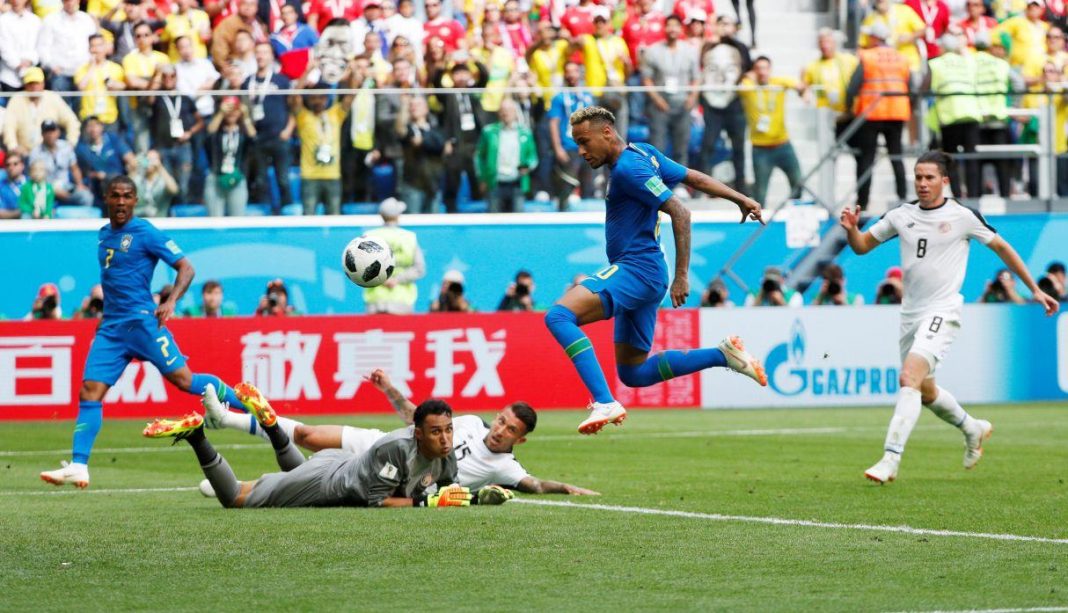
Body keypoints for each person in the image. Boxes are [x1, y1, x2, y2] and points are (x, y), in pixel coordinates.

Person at [543, 106, 767, 435]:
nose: (581, 151)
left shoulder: (628, 170)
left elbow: (680, 212)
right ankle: (722, 355)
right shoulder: (643, 152)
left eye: (584, 141)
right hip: (646, 274)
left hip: (638, 269)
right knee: (634, 373)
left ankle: (604, 401)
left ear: (606, 133)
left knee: (559, 317)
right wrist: (739, 197)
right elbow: (692, 177)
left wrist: (682, 275)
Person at [839, 150, 1060, 484]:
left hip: (943, 310)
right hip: (910, 314)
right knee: (925, 392)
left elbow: (1002, 248)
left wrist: (1034, 288)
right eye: (918, 177)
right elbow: (861, 247)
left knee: (908, 377)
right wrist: (851, 230)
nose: (923, 183)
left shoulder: (962, 216)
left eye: (929, 177)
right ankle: (973, 428)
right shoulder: (901, 215)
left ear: (945, 180)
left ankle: (890, 459)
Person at [39, 175, 246, 489]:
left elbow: (186, 267)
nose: (121, 202)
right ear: (106, 199)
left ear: (135, 200)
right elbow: (115, 282)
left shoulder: (145, 232)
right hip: (111, 329)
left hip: (142, 323)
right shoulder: (104, 235)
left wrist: (170, 301)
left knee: (185, 381)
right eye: (115, 196)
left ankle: (249, 405)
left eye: (127, 196)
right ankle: (80, 465)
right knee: (89, 392)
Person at [199, 371, 599, 496]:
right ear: (495, 416)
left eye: (511, 430)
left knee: (318, 479)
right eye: (502, 421)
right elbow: (418, 419)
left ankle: (244, 486)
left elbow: (535, 484)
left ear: (520, 439)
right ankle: (227, 421)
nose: (500, 430)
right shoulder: (471, 422)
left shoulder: (506, 467)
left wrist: (566, 488)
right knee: (305, 435)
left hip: (394, 474)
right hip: (384, 443)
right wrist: (389, 389)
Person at [145, 388, 512, 508]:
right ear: (417, 433)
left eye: (448, 430)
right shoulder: (395, 449)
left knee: (293, 471)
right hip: (328, 482)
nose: (446, 439)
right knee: (237, 499)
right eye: (436, 432)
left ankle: (273, 426)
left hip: (338, 463)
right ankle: (197, 435)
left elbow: (445, 489)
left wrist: (479, 497)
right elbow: (379, 502)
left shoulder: (446, 456)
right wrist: (426, 502)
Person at [847, 22, 910, 211]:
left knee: (867, 159)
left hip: (871, 113)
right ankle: (903, 197)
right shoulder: (901, 57)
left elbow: (853, 86)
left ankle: (862, 202)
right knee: (896, 156)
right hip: (897, 112)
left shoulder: (867, 56)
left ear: (875, 37)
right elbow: (912, 84)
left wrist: (849, 107)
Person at [738, 56, 806, 208]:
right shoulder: (749, 86)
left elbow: (799, 86)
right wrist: (749, 76)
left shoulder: (778, 83)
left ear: (770, 69)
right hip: (760, 149)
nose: (762, 72)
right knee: (760, 194)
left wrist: (804, 89)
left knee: (798, 182)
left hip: (783, 145)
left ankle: (793, 213)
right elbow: (742, 86)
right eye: (758, 69)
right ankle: (759, 226)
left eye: (765, 68)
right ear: (754, 71)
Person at [292, 58, 354, 216]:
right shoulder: (304, 117)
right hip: (309, 175)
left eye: (321, 97)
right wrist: (307, 71)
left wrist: (353, 72)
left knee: (334, 216)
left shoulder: (335, 114)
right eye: (314, 97)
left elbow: (350, 97)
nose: (318, 100)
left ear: (326, 99)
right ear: (309, 99)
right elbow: (294, 98)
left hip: (332, 175)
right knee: (309, 216)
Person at [927, 27, 982, 199]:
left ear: (942, 48)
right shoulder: (969, 61)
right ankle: (974, 195)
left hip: (949, 114)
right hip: (971, 112)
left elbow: (926, 87)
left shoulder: (935, 63)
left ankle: (958, 195)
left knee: (951, 158)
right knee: (972, 156)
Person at [698, 17, 751, 191]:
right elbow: (701, 67)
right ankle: (701, 187)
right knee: (708, 144)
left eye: (728, 24)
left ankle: (741, 186)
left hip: (734, 102)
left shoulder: (740, 47)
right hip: (711, 103)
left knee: (738, 147)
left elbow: (747, 70)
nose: (725, 28)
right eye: (721, 24)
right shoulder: (708, 46)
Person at [641, 15, 700, 168]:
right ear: (664, 28)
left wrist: (692, 97)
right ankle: (657, 184)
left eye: (676, 25)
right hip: (660, 105)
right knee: (657, 147)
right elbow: (646, 79)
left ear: (681, 29)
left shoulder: (690, 51)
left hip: (683, 104)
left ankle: (681, 184)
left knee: (681, 146)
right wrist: (657, 99)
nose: (672, 29)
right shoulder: (652, 51)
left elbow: (696, 77)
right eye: (669, 25)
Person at [244, 42, 295, 209]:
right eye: (258, 52)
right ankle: (265, 213)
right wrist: (250, 130)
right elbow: (244, 109)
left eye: (264, 53)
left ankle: (287, 212)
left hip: (279, 136)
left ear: (271, 56)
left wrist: (288, 130)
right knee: (260, 179)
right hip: (258, 137)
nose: (261, 56)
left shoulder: (281, 80)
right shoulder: (247, 82)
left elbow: (293, 107)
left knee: (283, 178)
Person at [148, 64, 202, 203]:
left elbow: (200, 121)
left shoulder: (184, 98)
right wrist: (157, 76)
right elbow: (149, 99)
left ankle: (182, 213)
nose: (168, 79)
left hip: (182, 146)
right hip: (163, 146)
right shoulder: (158, 97)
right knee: (166, 184)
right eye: (164, 76)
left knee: (183, 185)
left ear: (176, 77)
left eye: (172, 76)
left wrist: (189, 133)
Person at [363, 197, 426, 315]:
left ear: (381, 215)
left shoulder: (369, 236)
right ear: (398, 215)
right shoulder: (408, 237)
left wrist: (382, 280)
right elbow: (419, 268)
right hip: (402, 300)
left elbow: (362, 267)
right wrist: (397, 280)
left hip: (376, 299)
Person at [476, 97, 538, 213]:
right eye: (503, 110)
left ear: (515, 112)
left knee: (517, 221)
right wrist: (482, 177)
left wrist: (528, 166)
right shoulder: (488, 132)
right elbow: (480, 157)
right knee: (494, 220)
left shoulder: (525, 133)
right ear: (498, 112)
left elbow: (533, 156)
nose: (506, 113)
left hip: (517, 183)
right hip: (495, 182)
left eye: (509, 109)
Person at [547, 62, 595, 209]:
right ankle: (562, 217)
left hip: (588, 148)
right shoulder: (559, 98)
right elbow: (553, 123)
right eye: (568, 72)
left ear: (580, 74)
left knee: (588, 185)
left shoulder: (587, 96)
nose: (571, 75)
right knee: (567, 185)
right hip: (568, 147)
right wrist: (557, 148)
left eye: (574, 71)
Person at [3, 68, 81, 155]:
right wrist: (13, 146)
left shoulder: (53, 97)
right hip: (24, 153)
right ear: (25, 85)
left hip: (50, 152)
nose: (34, 87)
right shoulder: (16, 99)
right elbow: (8, 125)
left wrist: (70, 144)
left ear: (43, 84)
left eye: (37, 83)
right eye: (30, 83)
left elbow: (71, 121)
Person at [204, 97, 255, 217]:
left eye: (235, 109)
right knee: (214, 221)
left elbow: (253, 138)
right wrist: (221, 113)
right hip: (216, 177)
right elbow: (209, 133)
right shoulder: (217, 131)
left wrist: (246, 115)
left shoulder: (243, 132)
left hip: (237, 177)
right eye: (229, 109)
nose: (231, 113)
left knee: (237, 220)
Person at [29, 120, 95, 207]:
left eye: (52, 131)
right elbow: (34, 177)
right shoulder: (36, 152)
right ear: (42, 134)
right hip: (45, 189)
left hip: (66, 186)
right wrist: (52, 190)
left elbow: (74, 168)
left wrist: (79, 184)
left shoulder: (65, 147)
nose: (50, 134)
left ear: (58, 132)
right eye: (47, 132)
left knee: (86, 196)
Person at [76, 116, 134, 206]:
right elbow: (81, 171)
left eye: (96, 125)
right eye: (90, 126)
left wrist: (106, 176)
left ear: (102, 127)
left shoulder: (113, 140)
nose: (93, 129)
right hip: (98, 188)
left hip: (119, 181)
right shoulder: (83, 149)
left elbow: (131, 159)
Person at [74, 34, 127, 132]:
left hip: (109, 118)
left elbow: (124, 86)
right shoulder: (82, 69)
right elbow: (81, 86)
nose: (96, 49)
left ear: (105, 47)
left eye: (99, 45)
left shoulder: (115, 68)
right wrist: (91, 68)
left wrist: (115, 85)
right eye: (93, 46)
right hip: (89, 118)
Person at [125, 149, 180, 217]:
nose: (149, 162)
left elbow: (174, 190)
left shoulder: (163, 181)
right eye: (147, 159)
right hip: (139, 221)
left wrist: (160, 167)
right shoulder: (138, 178)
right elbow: (124, 191)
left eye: (153, 159)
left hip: (159, 221)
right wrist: (133, 170)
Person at [0, 154, 29, 219]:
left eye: (15, 164)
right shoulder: (1, 187)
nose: (11, 167)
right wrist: (21, 212)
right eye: (8, 165)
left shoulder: (31, 182)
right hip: (10, 226)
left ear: (22, 166)